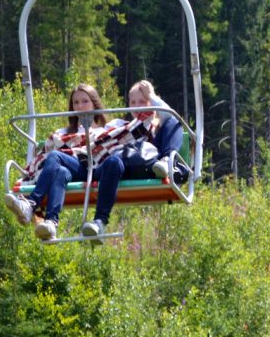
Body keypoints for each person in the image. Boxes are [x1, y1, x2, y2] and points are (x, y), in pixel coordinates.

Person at [80, 80, 189, 242]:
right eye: (133, 102)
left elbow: (169, 115)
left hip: (151, 166)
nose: (137, 107)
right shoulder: (121, 125)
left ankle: (167, 162)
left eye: (142, 102)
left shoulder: (159, 127)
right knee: (112, 162)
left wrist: (151, 96)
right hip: (126, 165)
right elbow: (100, 136)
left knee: (173, 122)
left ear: (151, 103)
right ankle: (99, 222)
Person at [5, 84, 116, 241]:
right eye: (76, 103)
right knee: (60, 171)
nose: (80, 106)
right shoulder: (63, 133)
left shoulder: (108, 128)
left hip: (95, 169)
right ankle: (51, 222)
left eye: (85, 101)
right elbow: (45, 155)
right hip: (74, 170)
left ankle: (31, 204)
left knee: (56, 156)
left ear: (94, 103)